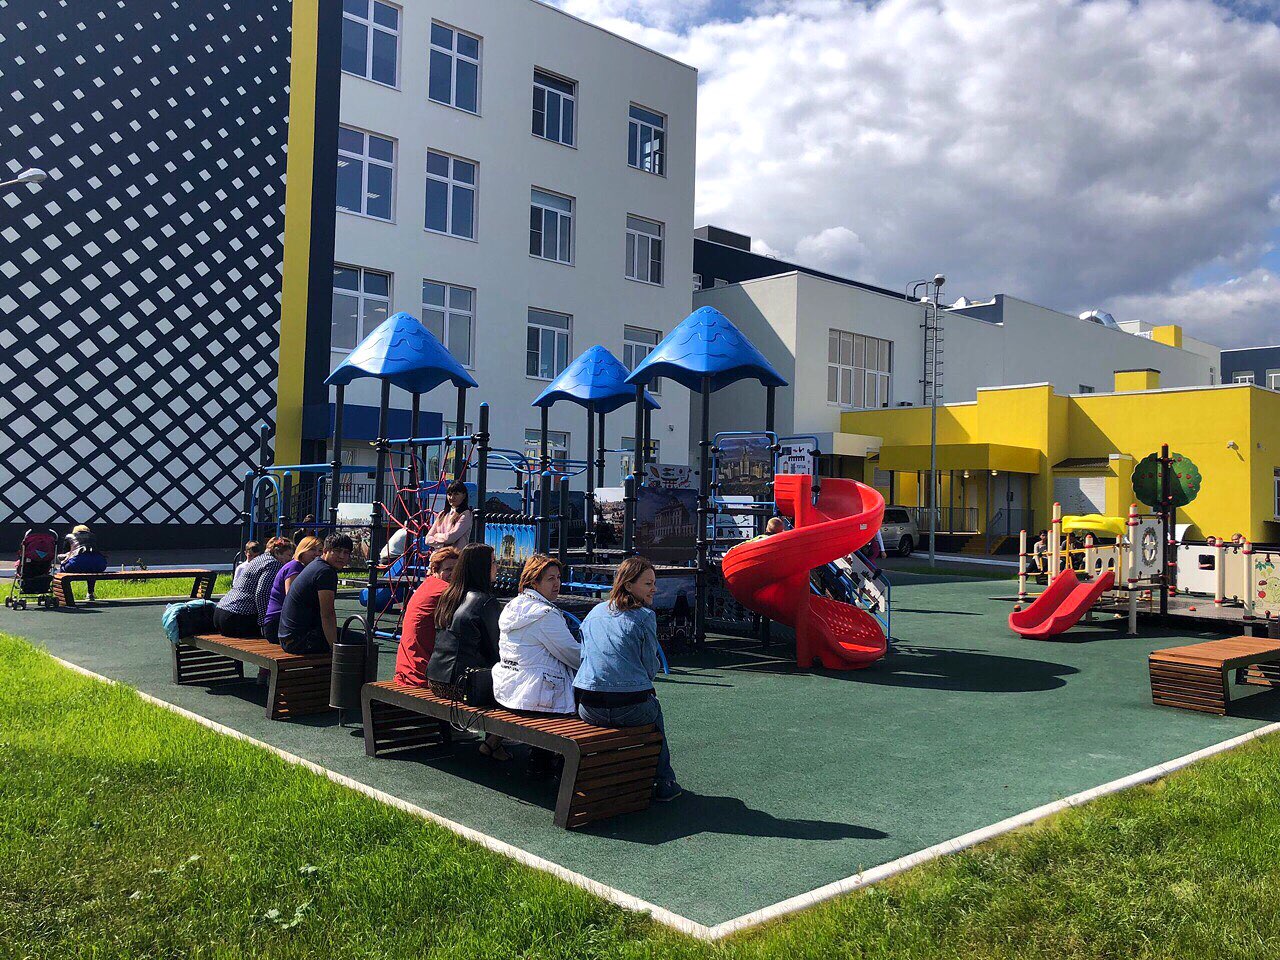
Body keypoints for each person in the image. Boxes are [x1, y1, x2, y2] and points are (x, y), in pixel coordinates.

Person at [575, 556, 681, 802]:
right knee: (654, 710)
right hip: (631, 709)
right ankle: (664, 780)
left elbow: (584, 656)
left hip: (589, 708)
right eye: (648, 584)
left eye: (654, 583)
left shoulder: (594, 612)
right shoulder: (644, 616)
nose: (654, 589)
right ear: (629, 585)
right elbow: (649, 668)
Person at [494, 555, 582, 773]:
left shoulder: (513, 606)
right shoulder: (545, 615)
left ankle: (539, 760)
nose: (557, 584)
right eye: (550, 579)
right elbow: (574, 656)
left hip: (509, 688)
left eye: (558, 577)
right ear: (534, 582)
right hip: (536, 694)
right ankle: (552, 763)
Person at [426, 543, 505, 759]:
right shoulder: (485, 601)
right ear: (482, 568)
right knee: (521, 684)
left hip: (436, 679)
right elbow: (496, 649)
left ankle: (494, 742)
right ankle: (495, 741)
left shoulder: (450, 595)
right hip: (462, 685)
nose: (496, 567)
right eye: (493, 562)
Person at [393, 546, 461, 687]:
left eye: (457, 570)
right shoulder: (443, 590)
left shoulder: (427, 585)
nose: (453, 574)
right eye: (448, 569)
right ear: (435, 571)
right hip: (422, 674)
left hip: (406, 669)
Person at [279, 534, 353, 654]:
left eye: (346, 552)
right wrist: (334, 648)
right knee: (362, 641)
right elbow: (327, 614)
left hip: (289, 637)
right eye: (337, 551)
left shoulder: (317, 565)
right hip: (299, 640)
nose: (341, 556)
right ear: (325, 550)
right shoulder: (325, 572)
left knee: (347, 637)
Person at [214, 536, 291, 638]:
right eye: (288, 555)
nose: (290, 559)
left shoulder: (259, 559)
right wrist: (264, 622)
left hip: (221, 611)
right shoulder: (273, 564)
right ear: (277, 553)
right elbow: (262, 594)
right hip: (237, 616)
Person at [262, 536, 323, 643]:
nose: (317, 553)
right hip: (278, 624)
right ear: (302, 549)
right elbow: (292, 598)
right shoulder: (295, 567)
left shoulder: (304, 568)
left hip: (286, 622)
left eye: (320, 550)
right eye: (312, 549)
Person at [424, 480, 473, 549]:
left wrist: (436, 535)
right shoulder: (442, 514)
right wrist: (443, 544)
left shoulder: (466, 514)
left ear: (464, 495)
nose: (452, 497)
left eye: (456, 494)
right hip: (439, 554)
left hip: (455, 554)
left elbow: (450, 538)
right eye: (449, 494)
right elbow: (427, 539)